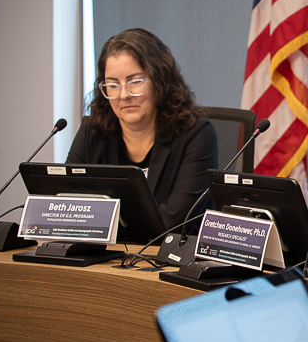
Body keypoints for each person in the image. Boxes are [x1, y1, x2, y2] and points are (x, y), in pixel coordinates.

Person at [67, 28, 218, 234]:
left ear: (160, 80)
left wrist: (103, 224)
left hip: (168, 260)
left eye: (135, 82)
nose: (123, 95)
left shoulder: (196, 135)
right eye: (112, 84)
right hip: (102, 259)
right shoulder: (92, 131)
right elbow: (68, 208)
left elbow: (173, 222)